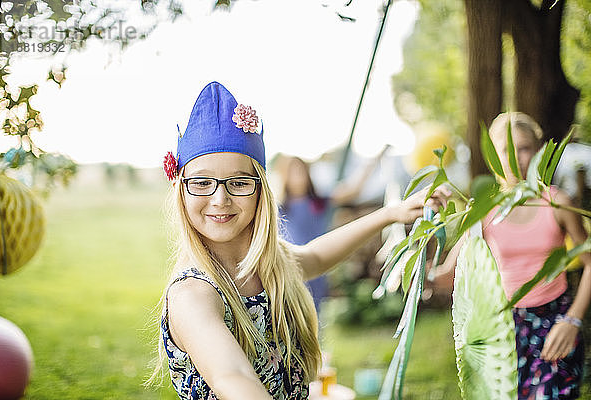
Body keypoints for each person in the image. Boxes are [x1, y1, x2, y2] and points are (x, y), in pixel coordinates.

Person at [147, 81, 448, 400]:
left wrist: (390, 214)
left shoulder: (270, 265)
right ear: (181, 191)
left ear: (261, 191)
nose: (220, 198)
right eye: (203, 182)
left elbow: (316, 257)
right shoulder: (193, 294)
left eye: (238, 182)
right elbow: (233, 376)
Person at [438, 112, 591, 399]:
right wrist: (413, 268)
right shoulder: (483, 211)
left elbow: (590, 261)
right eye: (505, 150)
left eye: (524, 148)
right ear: (492, 156)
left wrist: (572, 320)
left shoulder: (557, 202)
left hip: (554, 323)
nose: (516, 157)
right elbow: (448, 274)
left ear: (538, 153)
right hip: (502, 329)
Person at [278, 149, 388, 313]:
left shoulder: (319, 203)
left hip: (316, 267)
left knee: (314, 314)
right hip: (289, 267)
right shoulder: (280, 208)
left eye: (301, 170)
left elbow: (353, 190)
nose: (298, 175)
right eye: (293, 171)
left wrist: (374, 159)